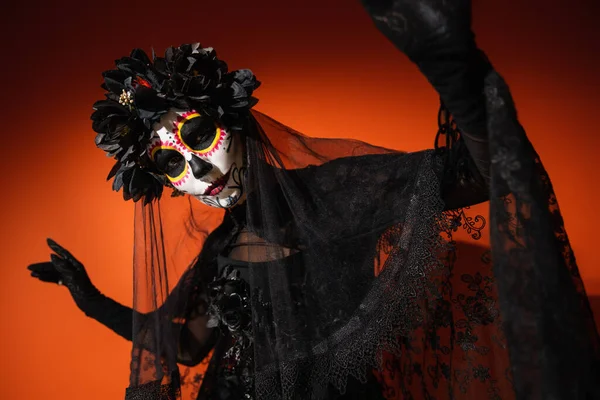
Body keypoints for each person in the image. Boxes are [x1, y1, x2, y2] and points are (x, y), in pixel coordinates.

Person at [27, 1, 600, 399]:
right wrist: (91, 298)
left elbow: (482, 172)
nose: (197, 170)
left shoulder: (336, 193)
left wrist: (454, 69)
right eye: (171, 164)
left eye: (199, 137)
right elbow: (187, 346)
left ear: (234, 123)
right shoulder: (222, 241)